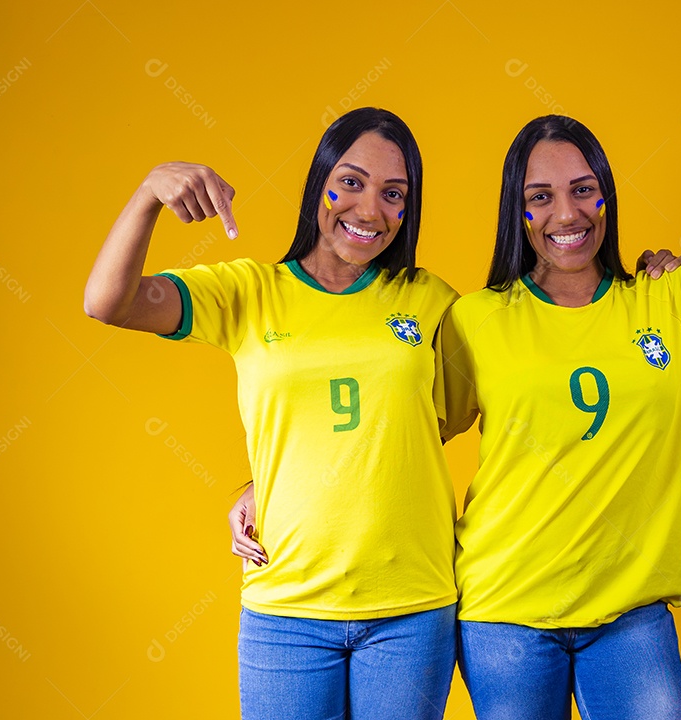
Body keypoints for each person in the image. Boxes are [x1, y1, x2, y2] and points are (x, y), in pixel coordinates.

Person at [434, 115, 681, 719]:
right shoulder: (475, 320)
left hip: (630, 617)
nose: (567, 214)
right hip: (503, 614)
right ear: (515, 212)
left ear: (607, 194)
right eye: (539, 197)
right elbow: (411, 437)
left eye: (583, 189)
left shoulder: (672, 298)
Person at [84, 107, 463, 720]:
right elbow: (108, 302)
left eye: (394, 194)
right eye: (351, 182)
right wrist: (148, 193)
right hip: (286, 612)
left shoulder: (430, 300)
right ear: (318, 184)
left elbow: (439, 416)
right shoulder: (249, 293)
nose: (369, 210)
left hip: (412, 609)